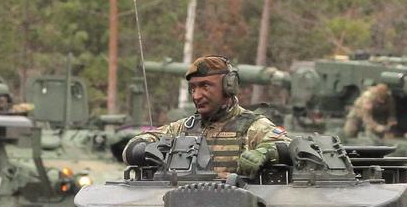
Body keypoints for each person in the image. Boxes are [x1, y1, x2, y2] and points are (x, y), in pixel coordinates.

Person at [123, 55, 291, 175]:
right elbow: (132, 146)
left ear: (229, 87)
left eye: (205, 86)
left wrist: (264, 153)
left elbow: (290, 148)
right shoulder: (182, 128)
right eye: (193, 88)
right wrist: (145, 151)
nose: (196, 95)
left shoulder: (253, 127)